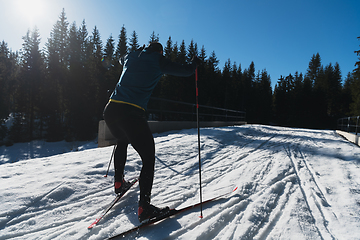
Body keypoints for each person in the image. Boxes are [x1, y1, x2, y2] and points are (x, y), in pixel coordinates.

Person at [103, 42, 198, 223]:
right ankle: (144, 207)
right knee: (148, 157)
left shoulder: (131, 55)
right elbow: (186, 71)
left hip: (110, 109)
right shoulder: (158, 60)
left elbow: (119, 59)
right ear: (160, 51)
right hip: (131, 113)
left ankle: (118, 182)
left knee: (122, 140)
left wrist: (136, 52)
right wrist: (194, 63)